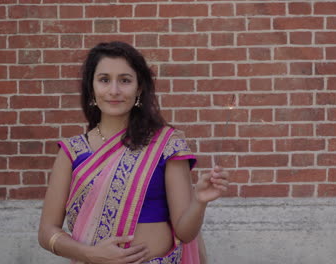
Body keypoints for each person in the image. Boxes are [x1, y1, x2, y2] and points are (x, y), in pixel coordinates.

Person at [38, 41, 229, 264]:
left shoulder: (166, 145)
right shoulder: (72, 151)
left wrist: (199, 201)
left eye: (125, 80)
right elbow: (46, 232)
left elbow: (185, 233)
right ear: (92, 88)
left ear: (139, 88)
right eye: (104, 80)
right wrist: (90, 254)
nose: (114, 90)